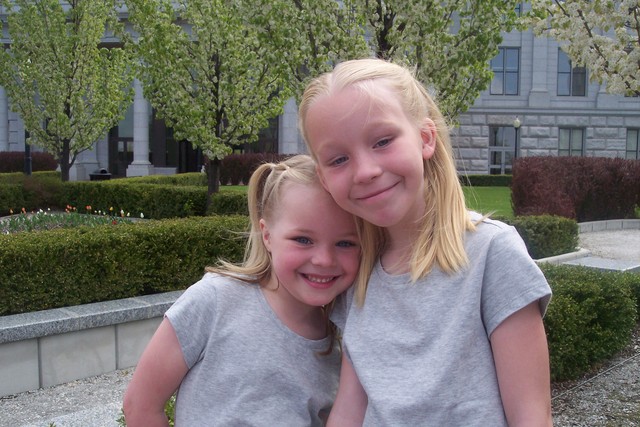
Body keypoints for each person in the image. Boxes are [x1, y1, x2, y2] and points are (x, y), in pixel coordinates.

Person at [298, 58, 553, 426]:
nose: (366, 171)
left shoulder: (491, 255)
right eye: (339, 159)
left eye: (383, 141)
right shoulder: (357, 275)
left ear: (426, 138)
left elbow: (532, 417)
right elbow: (350, 411)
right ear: (323, 178)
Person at [123, 154, 361, 426]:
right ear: (267, 235)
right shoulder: (215, 300)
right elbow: (140, 405)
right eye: (303, 239)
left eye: (345, 243)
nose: (324, 260)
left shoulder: (344, 340)